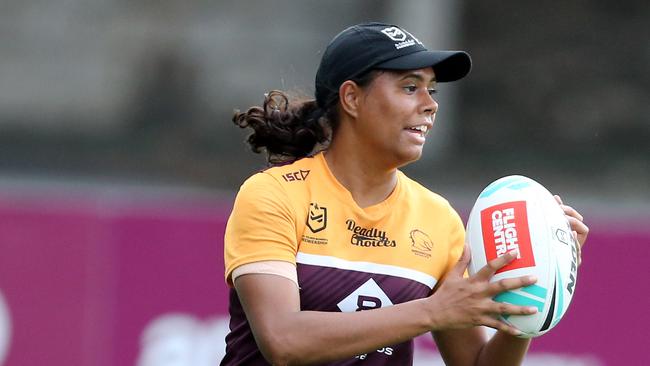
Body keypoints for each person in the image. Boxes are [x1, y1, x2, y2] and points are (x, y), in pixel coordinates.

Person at [221, 22, 589, 366]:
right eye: (410, 87)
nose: (430, 104)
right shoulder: (274, 194)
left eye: (432, 90)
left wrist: (536, 288)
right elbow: (283, 340)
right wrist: (431, 311)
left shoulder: (437, 218)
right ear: (351, 98)